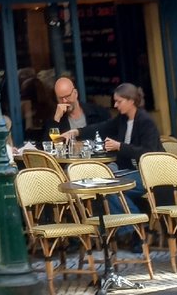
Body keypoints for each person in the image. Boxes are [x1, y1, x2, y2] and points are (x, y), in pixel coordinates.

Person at [61, 82, 162, 245]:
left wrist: (119, 146)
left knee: (110, 186)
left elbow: (148, 153)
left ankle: (135, 229)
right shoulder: (122, 119)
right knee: (105, 185)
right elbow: (102, 127)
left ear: (131, 101)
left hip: (150, 174)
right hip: (131, 171)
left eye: (118, 101)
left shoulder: (145, 121)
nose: (115, 105)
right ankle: (136, 227)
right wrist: (77, 131)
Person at [43, 75, 110, 142]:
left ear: (75, 93)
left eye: (67, 96)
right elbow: (47, 146)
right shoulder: (55, 119)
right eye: (60, 98)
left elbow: (110, 135)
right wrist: (56, 119)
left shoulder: (98, 113)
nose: (64, 101)